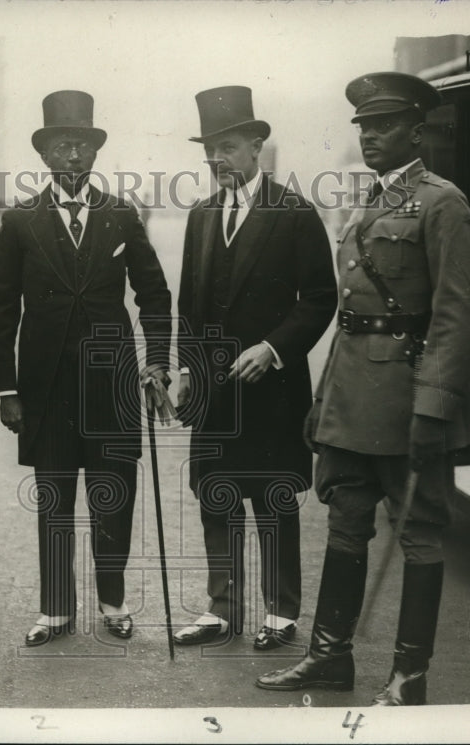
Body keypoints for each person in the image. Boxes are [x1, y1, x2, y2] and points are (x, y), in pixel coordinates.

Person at [256, 72, 470, 704]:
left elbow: (457, 315)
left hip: (410, 402)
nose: (372, 137)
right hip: (354, 402)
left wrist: (434, 406)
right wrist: (326, 396)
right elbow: (353, 318)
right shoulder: (369, 201)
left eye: (385, 125)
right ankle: (329, 659)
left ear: (418, 130)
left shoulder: (443, 204)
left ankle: (410, 678)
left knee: (418, 536)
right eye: (364, 126)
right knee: (346, 526)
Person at [0, 90, 172, 647]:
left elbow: (154, 295)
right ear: (44, 156)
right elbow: (0, 307)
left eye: (82, 145)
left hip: (112, 380)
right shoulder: (19, 221)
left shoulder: (120, 214)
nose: (72, 155)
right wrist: (7, 389)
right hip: (45, 388)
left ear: (94, 153)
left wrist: (157, 363)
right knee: (55, 498)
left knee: (114, 493)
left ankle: (112, 601)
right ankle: (57, 610)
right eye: (61, 145)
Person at [174, 86, 337, 649]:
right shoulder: (200, 216)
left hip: (271, 387)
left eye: (228, 147)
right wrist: (188, 371)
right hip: (216, 391)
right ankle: (223, 610)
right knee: (216, 494)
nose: (217, 160)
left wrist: (273, 348)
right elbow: (188, 305)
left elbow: (320, 298)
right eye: (210, 150)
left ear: (257, 147)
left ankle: (280, 612)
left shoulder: (294, 213)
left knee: (271, 498)